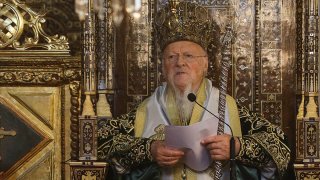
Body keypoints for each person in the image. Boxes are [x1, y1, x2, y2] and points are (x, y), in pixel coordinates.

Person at [98, 1, 290, 179]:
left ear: (205, 64)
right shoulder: (146, 110)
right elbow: (102, 141)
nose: (180, 63)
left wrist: (237, 147)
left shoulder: (228, 106)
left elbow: (278, 144)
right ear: (163, 66)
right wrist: (149, 149)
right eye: (171, 57)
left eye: (188, 55)